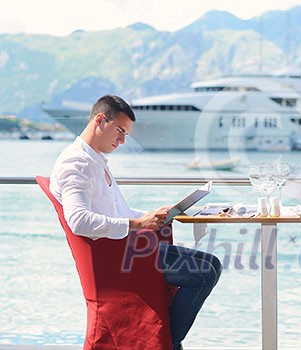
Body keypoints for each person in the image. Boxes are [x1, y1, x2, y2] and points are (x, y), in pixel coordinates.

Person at [50, 94, 222, 350]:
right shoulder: (77, 164)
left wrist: (152, 216)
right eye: (120, 131)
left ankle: (164, 341)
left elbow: (117, 211)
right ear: (100, 120)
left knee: (212, 264)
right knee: (204, 273)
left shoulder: (94, 160)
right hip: (115, 259)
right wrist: (139, 224)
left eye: (126, 134)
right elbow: (79, 221)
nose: (122, 140)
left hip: (124, 249)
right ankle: (165, 343)